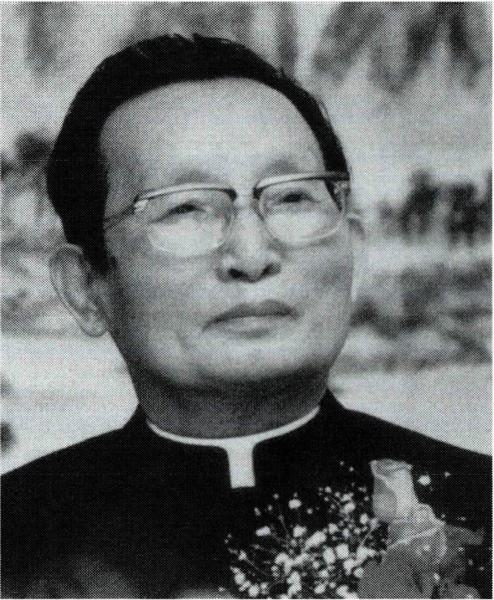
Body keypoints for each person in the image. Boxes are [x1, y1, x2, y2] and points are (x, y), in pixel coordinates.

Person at [1, 35, 491, 599]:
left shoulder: (480, 507)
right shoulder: (14, 540)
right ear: (87, 288)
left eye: (292, 198)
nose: (253, 256)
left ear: (353, 250)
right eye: (185, 207)